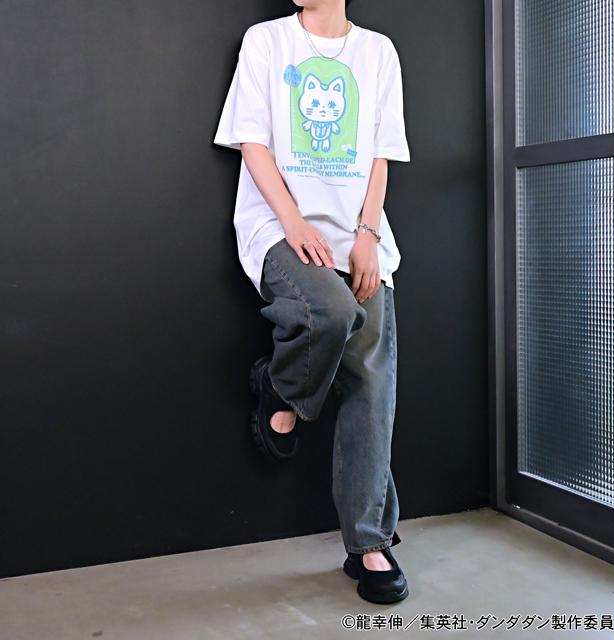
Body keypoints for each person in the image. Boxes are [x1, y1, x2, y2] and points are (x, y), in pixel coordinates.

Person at [213, 0, 411, 604]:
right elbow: (252, 143)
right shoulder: (266, 41)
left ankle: (369, 543)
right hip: (279, 227)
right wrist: (294, 222)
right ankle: (282, 390)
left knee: (372, 383)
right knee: (332, 311)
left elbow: (380, 154)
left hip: (359, 235)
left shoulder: (377, 52)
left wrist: (368, 236)